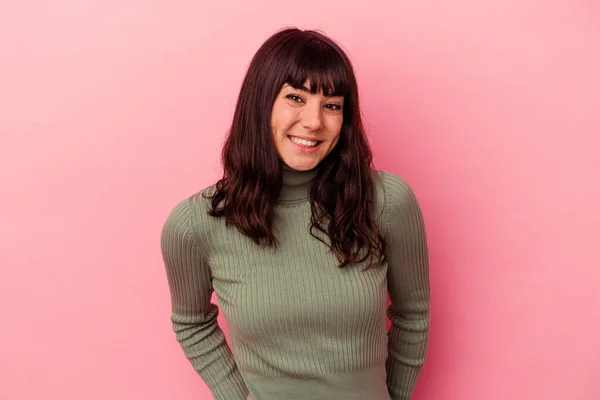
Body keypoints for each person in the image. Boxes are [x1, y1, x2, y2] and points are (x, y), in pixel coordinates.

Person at [160, 27, 430, 400]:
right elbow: (192, 323)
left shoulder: (387, 201)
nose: (314, 122)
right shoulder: (196, 225)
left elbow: (413, 316)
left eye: (332, 105)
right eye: (295, 98)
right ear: (261, 102)